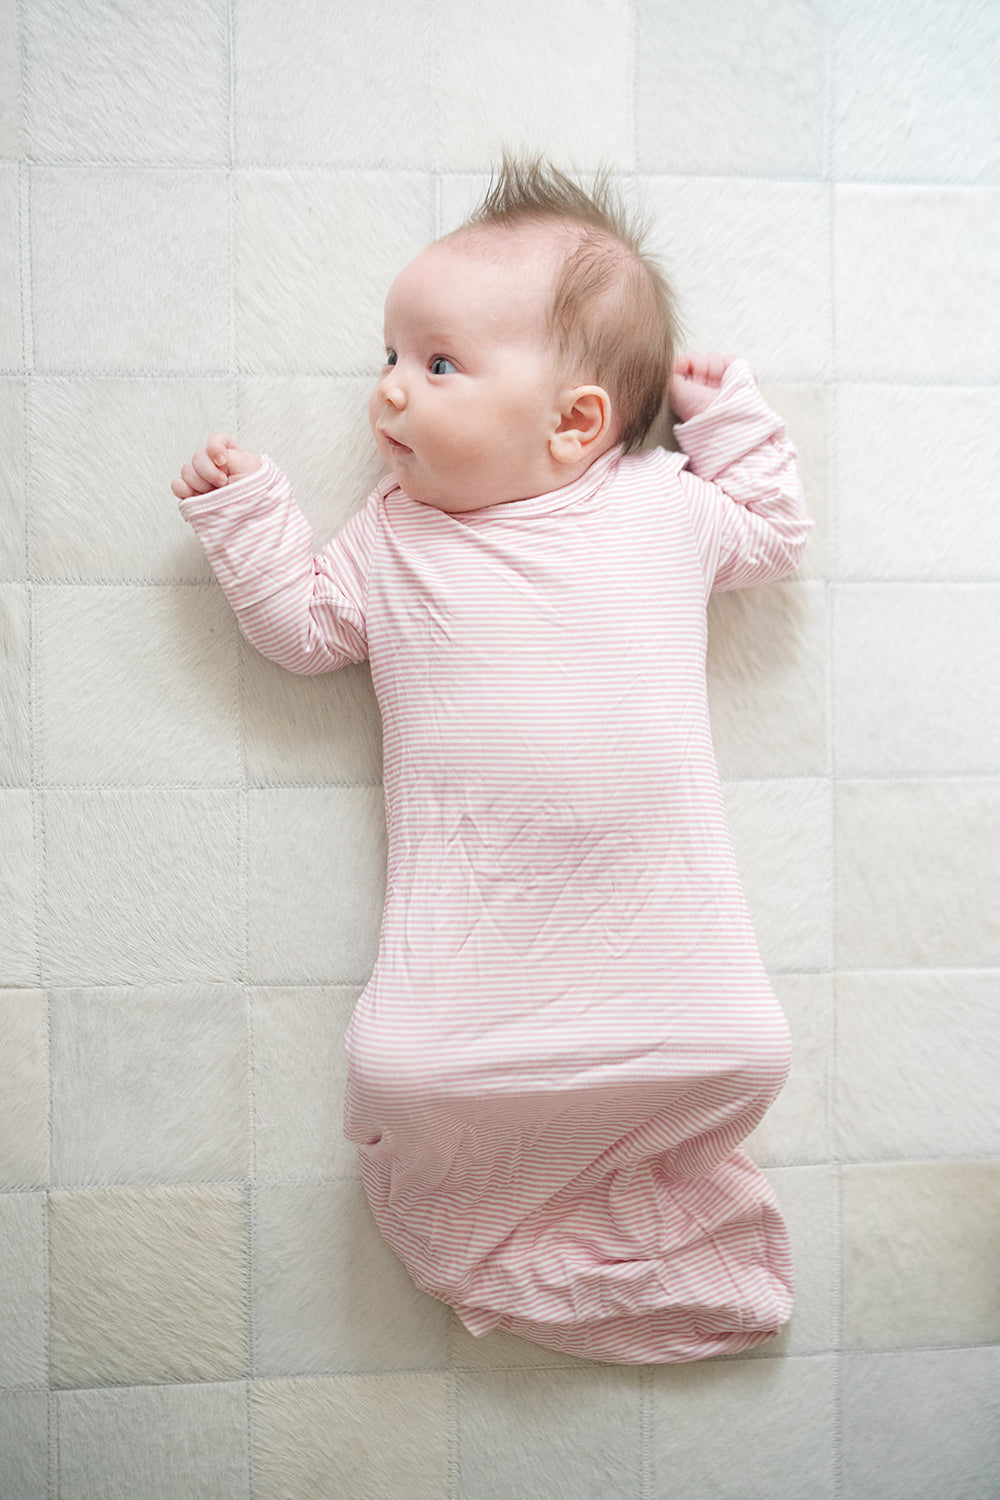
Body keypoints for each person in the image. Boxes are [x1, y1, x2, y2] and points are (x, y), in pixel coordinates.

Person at [173, 156, 811, 1363]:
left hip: (657, 940)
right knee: (405, 1070)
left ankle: (652, 1174)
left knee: (742, 1045)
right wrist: (252, 521)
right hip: (474, 951)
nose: (389, 397)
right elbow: (303, 632)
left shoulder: (663, 507)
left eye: (437, 365)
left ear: (577, 422)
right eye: (389, 358)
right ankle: (497, 1204)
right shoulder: (394, 536)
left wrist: (729, 417)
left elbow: (772, 532)